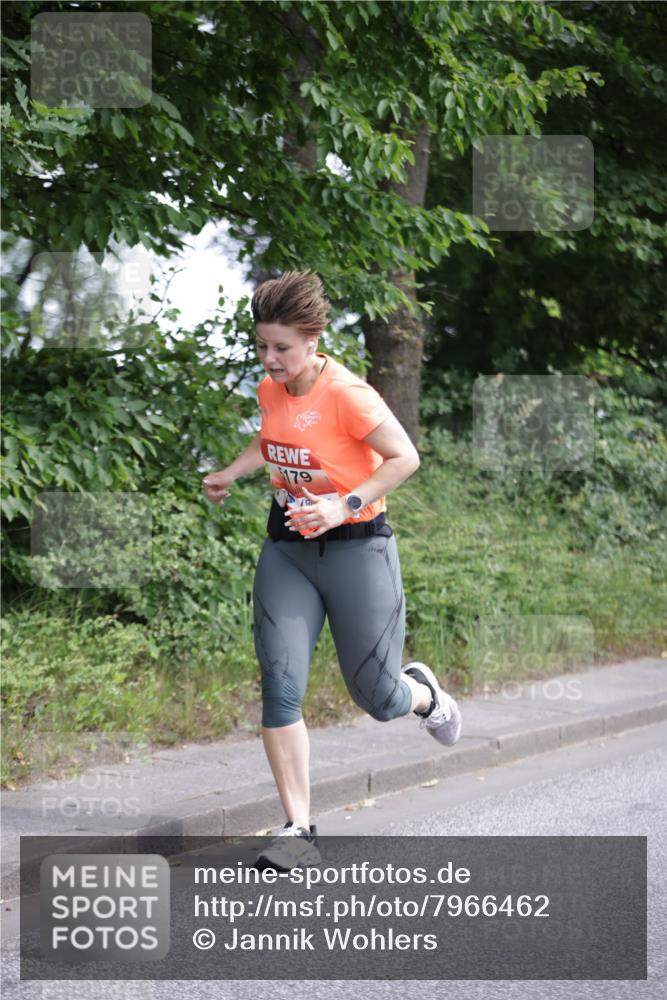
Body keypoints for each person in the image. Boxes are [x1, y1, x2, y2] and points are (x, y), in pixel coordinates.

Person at [202, 270, 461, 871]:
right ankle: (298, 830)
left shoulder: (349, 394)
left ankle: (423, 696)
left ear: (313, 341)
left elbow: (405, 458)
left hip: (358, 548)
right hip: (288, 550)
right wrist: (231, 472)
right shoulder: (273, 389)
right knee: (281, 682)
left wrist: (343, 502)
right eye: (262, 346)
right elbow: (271, 441)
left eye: (282, 348)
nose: (270, 359)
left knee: (376, 695)